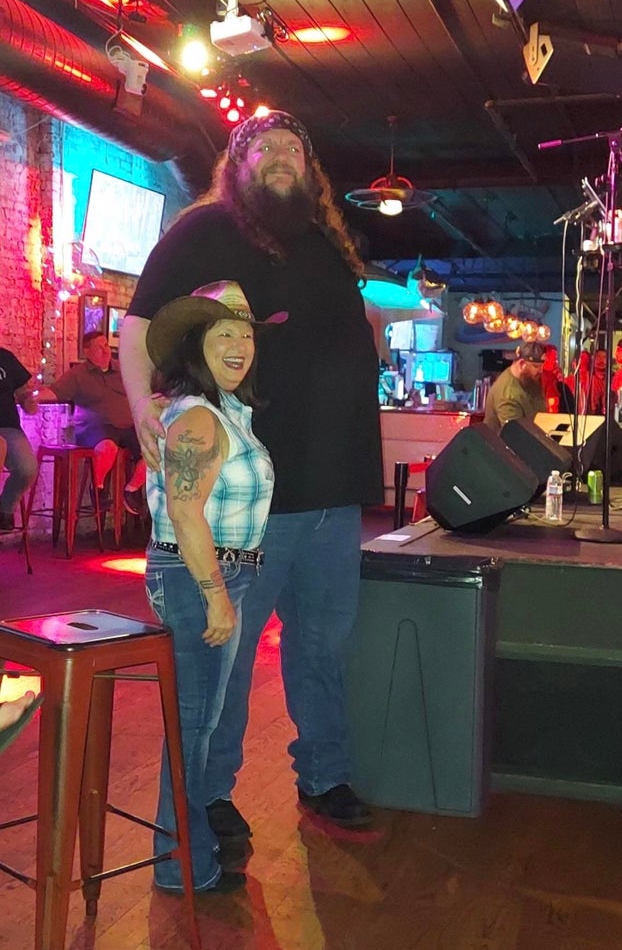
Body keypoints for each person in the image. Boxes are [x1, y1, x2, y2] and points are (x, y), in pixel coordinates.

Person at [120, 109, 384, 836]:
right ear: (236, 165)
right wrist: (142, 406)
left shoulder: (326, 243)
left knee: (323, 646)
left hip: (335, 490)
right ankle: (209, 796)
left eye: (292, 146)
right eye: (261, 146)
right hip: (250, 497)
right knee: (228, 653)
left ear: (310, 168)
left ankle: (325, 773)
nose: (279, 155)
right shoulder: (205, 230)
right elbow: (138, 324)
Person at [144, 280, 280, 894]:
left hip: (215, 573)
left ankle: (184, 858)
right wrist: (216, 594)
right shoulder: (199, 416)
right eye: (223, 331)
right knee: (194, 727)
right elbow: (184, 509)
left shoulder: (221, 411)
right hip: (198, 576)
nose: (239, 344)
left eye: (246, 332)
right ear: (195, 344)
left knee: (199, 725)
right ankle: (182, 868)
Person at [39, 331, 146, 514]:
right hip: (94, 427)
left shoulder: (123, 369)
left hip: (127, 426)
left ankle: (131, 490)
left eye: (106, 346)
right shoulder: (78, 374)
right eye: (99, 347)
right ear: (86, 351)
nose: (105, 350)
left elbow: (143, 390)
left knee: (155, 450)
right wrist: (32, 397)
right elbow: (55, 392)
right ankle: (98, 489)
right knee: (108, 447)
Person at [0, 344, 38, 531]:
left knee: (27, 468)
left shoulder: (5, 357)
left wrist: (27, 400)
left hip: (8, 426)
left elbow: (22, 392)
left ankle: (4, 510)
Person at [483, 341, 547, 432]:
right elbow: (515, 435)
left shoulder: (529, 380)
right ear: (521, 364)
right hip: (508, 441)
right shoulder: (507, 395)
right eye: (536, 366)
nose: (540, 371)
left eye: (541, 366)